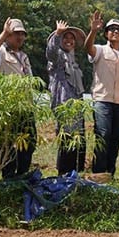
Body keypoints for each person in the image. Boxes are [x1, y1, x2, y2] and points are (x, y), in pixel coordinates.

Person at [0, 17, 36, 180]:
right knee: (8, 143)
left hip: (26, 106)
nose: (20, 37)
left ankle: (22, 174)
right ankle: (8, 176)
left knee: (29, 141)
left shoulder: (24, 56)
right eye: (15, 33)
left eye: (22, 34)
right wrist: (3, 34)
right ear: (8, 36)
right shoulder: (1, 52)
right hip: (9, 107)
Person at [85, 11, 119, 177]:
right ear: (106, 33)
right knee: (103, 134)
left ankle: (109, 172)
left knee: (115, 137)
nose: (115, 32)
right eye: (111, 29)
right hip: (102, 99)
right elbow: (88, 47)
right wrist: (93, 31)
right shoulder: (100, 50)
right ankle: (98, 172)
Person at [47, 20, 87, 175]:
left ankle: (74, 172)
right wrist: (57, 34)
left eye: (72, 38)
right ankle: (63, 173)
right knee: (66, 138)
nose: (69, 41)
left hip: (76, 105)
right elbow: (50, 52)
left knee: (77, 138)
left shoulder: (73, 59)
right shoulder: (57, 57)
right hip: (63, 105)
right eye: (65, 37)